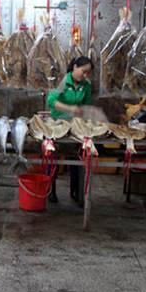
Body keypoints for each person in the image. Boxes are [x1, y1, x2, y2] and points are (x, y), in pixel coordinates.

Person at [45, 56, 94, 203]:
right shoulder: (63, 82)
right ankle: (50, 190)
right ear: (75, 67)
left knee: (76, 157)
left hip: (75, 125)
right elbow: (51, 101)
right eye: (83, 71)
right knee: (53, 156)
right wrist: (70, 108)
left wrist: (85, 115)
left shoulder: (86, 85)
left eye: (88, 73)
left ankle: (76, 191)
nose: (85, 75)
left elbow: (87, 105)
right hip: (57, 123)